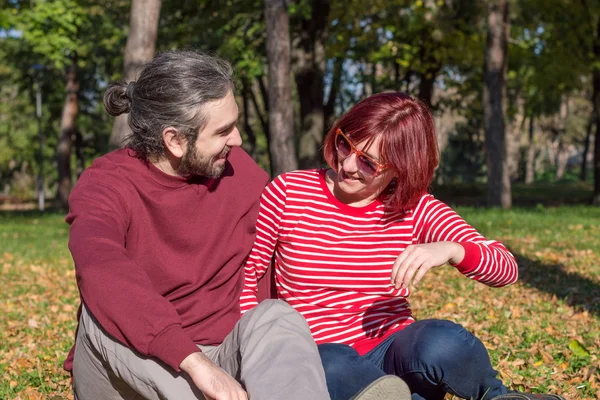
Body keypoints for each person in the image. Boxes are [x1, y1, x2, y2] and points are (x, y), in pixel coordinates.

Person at [240, 92, 566, 400]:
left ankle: (496, 397)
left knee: (442, 340)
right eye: (344, 144)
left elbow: (506, 268)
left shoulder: (414, 208)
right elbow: (247, 273)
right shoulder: (289, 192)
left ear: (401, 167)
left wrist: (453, 250)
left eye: (369, 162)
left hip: (395, 349)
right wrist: (255, 349)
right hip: (320, 353)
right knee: (330, 364)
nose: (348, 165)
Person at [65, 50, 340, 400]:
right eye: (223, 131)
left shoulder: (240, 174)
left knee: (276, 316)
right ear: (175, 140)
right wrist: (192, 360)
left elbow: (298, 243)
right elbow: (101, 267)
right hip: (133, 366)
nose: (238, 139)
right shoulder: (106, 184)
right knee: (101, 311)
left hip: (221, 360)